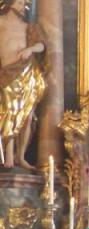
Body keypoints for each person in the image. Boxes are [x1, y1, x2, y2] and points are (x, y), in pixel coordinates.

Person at [0, 0, 45, 168]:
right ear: (9, 3)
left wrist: (30, 49)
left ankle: (21, 156)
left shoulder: (27, 26)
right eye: (19, 3)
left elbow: (42, 45)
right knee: (10, 113)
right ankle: (9, 157)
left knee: (27, 116)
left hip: (27, 72)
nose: (23, 7)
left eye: (24, 4)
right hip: (7, 73)